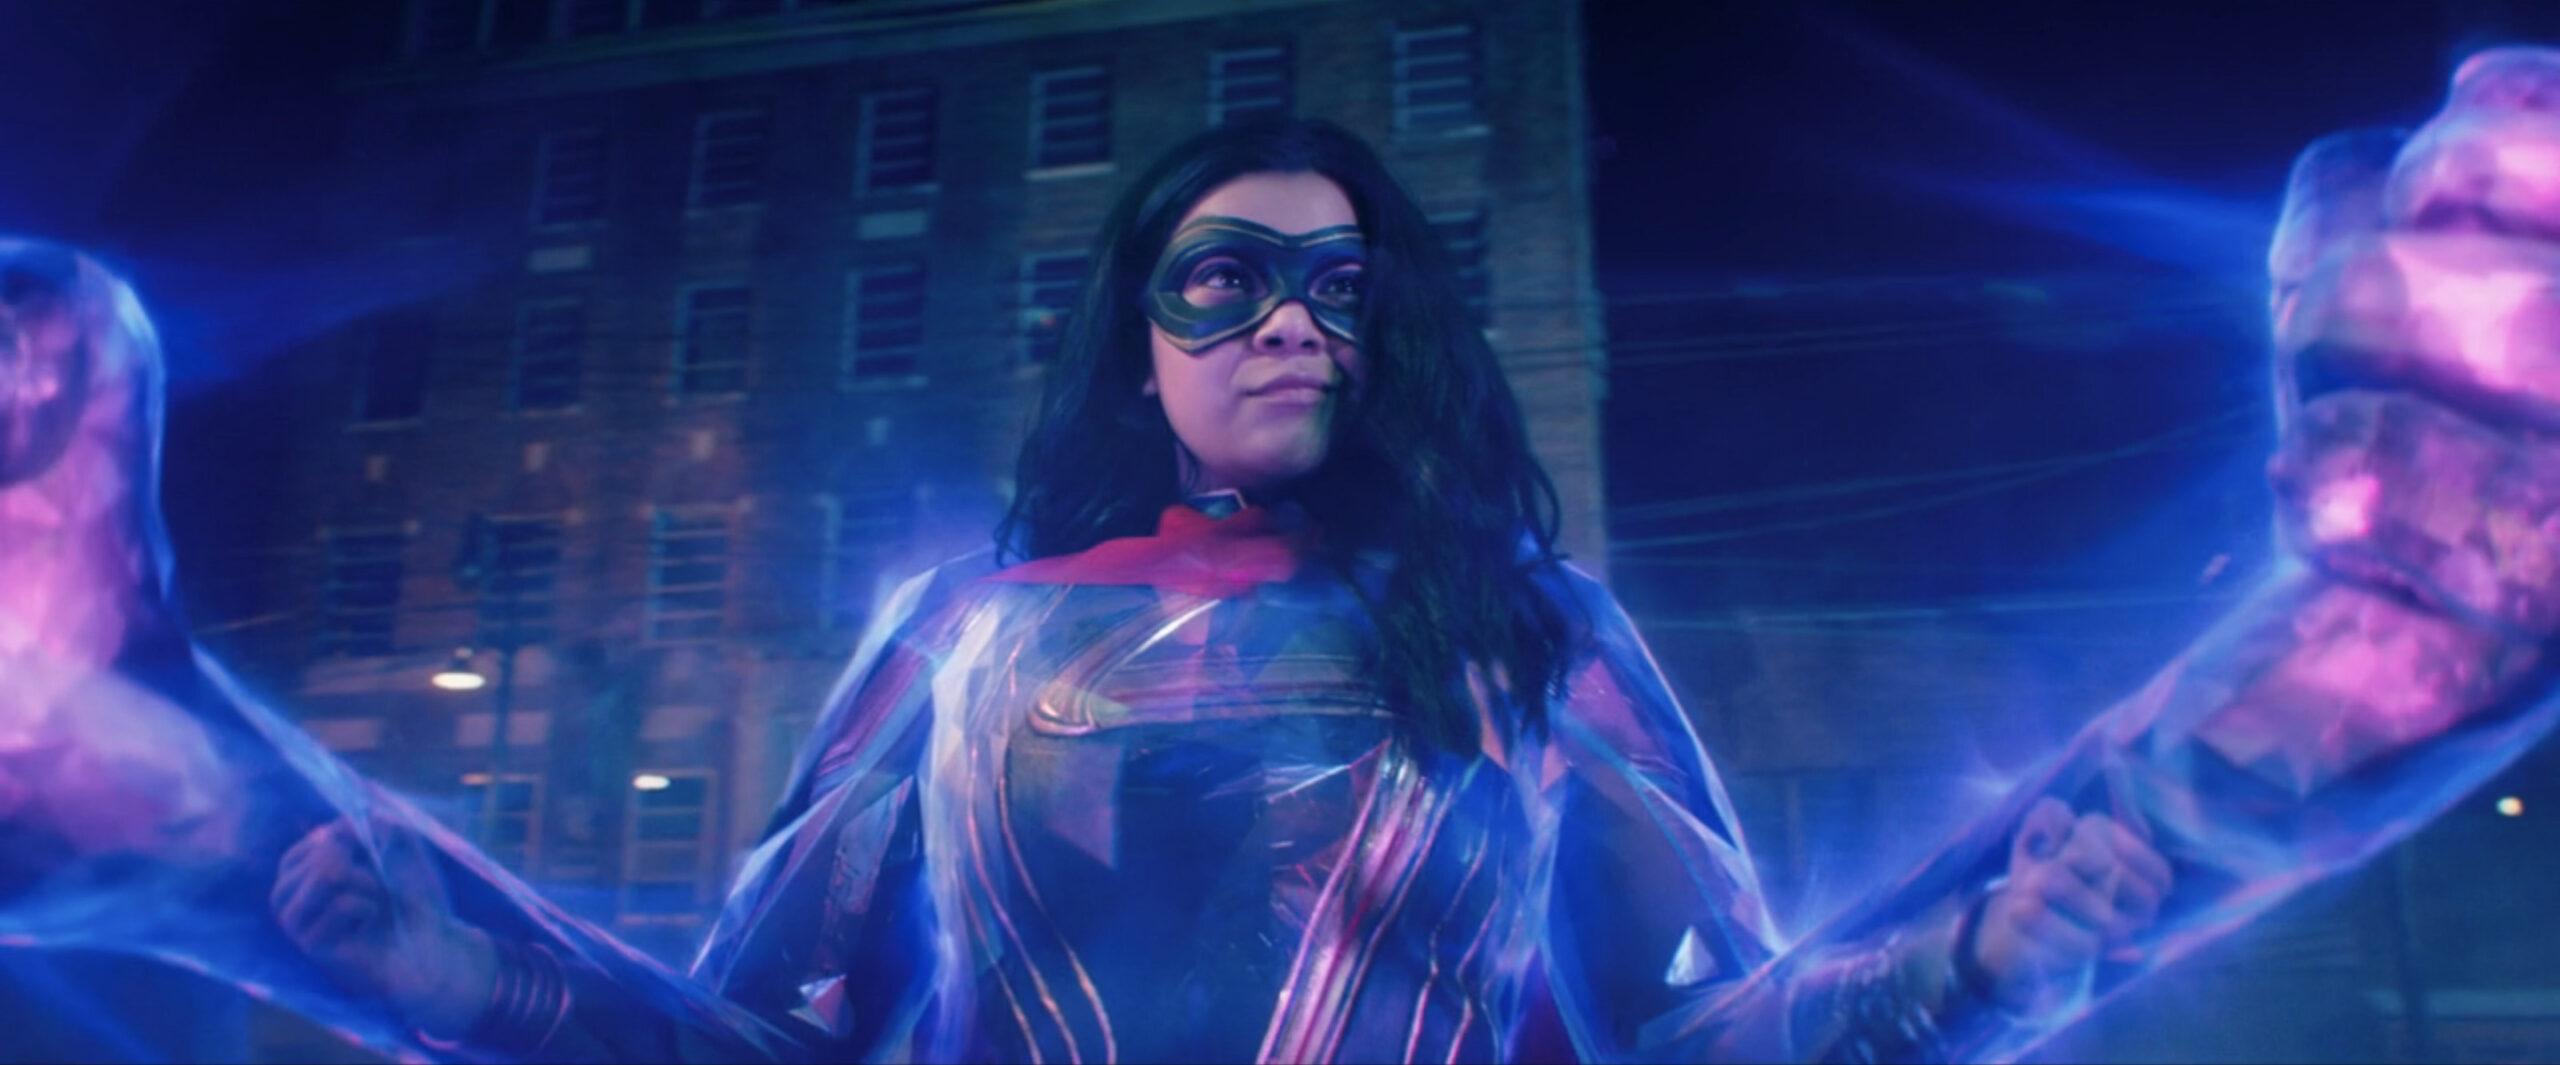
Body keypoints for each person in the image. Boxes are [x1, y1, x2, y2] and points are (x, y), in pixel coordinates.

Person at [10, 52, 2560, 1065]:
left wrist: (2062, 902)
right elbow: (749, 1044)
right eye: (1220, 276)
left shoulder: (1525, 633)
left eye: (1338, 285)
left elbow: (1728, 1037)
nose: (1282, 324)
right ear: (1136, 333)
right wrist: (287, 880)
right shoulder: (967, 640)